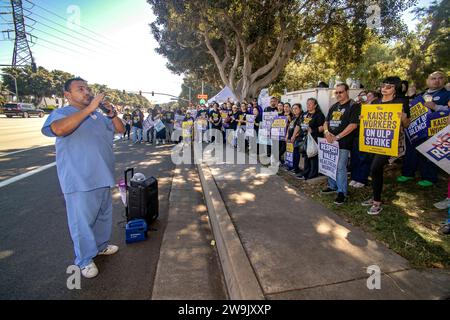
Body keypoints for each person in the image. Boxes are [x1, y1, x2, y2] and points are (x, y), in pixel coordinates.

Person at [41, 77, 125, 278]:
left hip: (103, 175)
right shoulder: (62, 113)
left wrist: (112, 114)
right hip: (80, 178)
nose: (87, 92)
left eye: (88, 88)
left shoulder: (97, 116)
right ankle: (84, 260)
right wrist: (89, 109)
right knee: (82, 222)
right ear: (68, 95)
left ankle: (101, 246)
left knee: (103, 216)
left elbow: (120, 129)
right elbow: (59, 129)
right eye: (81, 89)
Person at [362, 76, 411, 215]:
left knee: (375, 167)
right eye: (383, 85)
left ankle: (377, 202)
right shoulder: (376, 101)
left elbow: (407, 124)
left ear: (396, 89)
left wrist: (403, 118)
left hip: (390, 142)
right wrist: (364, 118)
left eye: (389, 86)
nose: (384, 88)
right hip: (374, 140)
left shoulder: (401, 102)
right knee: (375, 171)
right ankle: (375, 197)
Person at [397, 71, 449, 187]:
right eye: (433, 78)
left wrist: (436, 107)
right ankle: (408, 173)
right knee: (411, 151)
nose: (436, 80)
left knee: (427, 153)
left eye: (440, 78)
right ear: (427, 80)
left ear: (444, 80)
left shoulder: (447, 94)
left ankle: (429, 177)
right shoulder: (421, 94)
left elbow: (447, 110)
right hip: (416, 128)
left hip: (434, 130)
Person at [322, 83, 360, 205]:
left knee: (340, 167)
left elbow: (353, 125)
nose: (338, 94)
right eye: (336, 92)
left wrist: (337, 137)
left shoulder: (354, 106)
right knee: (330, 164)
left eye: (341, 92)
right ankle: (332, 186)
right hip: (330, 141)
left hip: (343, 142)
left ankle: (342, 192)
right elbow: (326, 122)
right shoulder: (334, 106)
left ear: (347, 91)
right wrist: (327, 132)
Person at [298, 98, 325, 180]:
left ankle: (313, 174)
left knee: (313, 156)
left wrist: (312, 130)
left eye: (310, 104)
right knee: (306, 155)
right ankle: (305, 173)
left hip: (315, 138)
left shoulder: (319, 115)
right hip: (305, 138)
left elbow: (322, 127)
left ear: (315, 105)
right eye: (307, 103)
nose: (308, 105)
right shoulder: (305, 114)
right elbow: (299, 124)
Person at [285, 103, 303, 174]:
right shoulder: (293, 117)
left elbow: (301, 128)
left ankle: (295, 168)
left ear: (300, 109)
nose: (294, 110)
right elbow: (290, 126)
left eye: (296, 108)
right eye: (293, 109)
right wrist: (287, 135)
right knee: (290, 153)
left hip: (296, 138)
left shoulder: (301, 117)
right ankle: (291, 166)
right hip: (290, 137)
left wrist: (294, 136)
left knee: (295, 153)